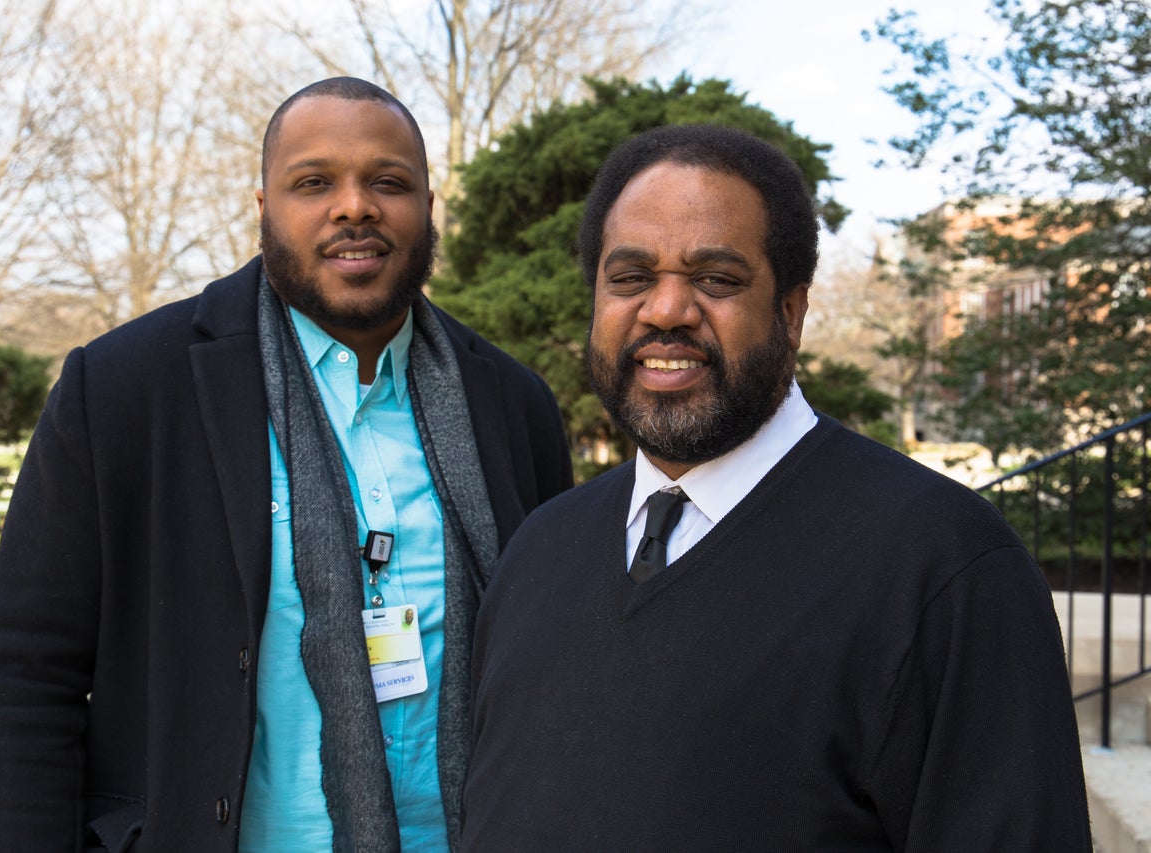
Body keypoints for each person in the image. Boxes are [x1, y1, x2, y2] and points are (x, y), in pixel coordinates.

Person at [0, 77, 572, 853]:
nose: (354, 206)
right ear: (263, 208)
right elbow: (29, 677)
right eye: (313, 182)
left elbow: (558, 664)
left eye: (388, 182)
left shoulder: (512, 404)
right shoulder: (125, 388)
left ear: (427, 207)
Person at [460, 124, 1091, 851]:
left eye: (716, 279)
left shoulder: (943, 566)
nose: (665, 311)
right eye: (630, 278)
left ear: (791, 314)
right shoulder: (538, 551)